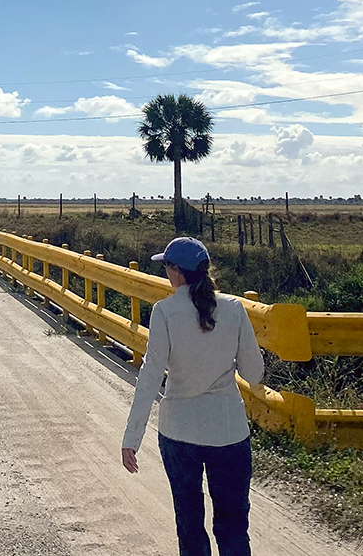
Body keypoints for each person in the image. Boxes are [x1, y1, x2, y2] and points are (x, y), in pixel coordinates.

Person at [121, 235, 265, 556]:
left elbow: (150, 377)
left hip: (179, 433)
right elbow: (254, 374)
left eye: (167, 268)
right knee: (233, 526)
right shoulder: (234, 309)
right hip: (228, 433)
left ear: (177, 272)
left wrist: (132, 437)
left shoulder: (165, 312)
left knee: (189, 523)